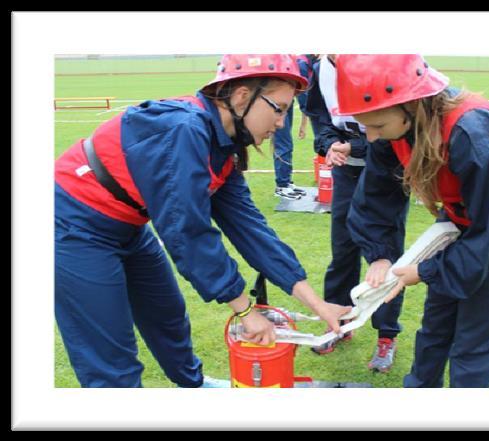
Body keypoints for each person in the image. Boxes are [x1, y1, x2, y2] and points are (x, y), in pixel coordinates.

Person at [54, 54, 351, 388]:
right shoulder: (185, 130)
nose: (281, 122)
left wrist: (317, 303)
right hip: (74, 225)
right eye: (279, 108)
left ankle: (193, 387)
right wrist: (244, 310)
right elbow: (188, 233)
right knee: (110, 356)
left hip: (129, 227)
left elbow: (251, 229)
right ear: (241, 97)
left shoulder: (223, 143)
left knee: (167, 314)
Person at [336, 54, 489, 387]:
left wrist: (428, 270)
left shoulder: (468, 132)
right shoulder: (394, 131)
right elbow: (377, 195)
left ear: (412, 105)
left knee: (472, 347)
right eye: (366, 127)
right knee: (435, 329)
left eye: (378, 126)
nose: (372, 137)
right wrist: (379, 253)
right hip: (460, 222)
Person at [304, 55, 407, 372]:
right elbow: (320, 118)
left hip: (387, 170)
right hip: (345, 172)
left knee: (386, 258)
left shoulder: (379, 60)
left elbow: (395, 125)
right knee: (343, 250)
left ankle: (386, 335)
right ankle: (339, 321)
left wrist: (358, 147)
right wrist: (330, 143)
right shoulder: (321, 69)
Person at [270, 54, 318, 200]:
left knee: (286, 143)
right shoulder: (303, 63)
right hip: (277, 104)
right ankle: (282, 186)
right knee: (283, 144)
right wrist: (313, 114)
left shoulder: (307, 62)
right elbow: (304, 94)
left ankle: (287, 181)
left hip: (286, 101)